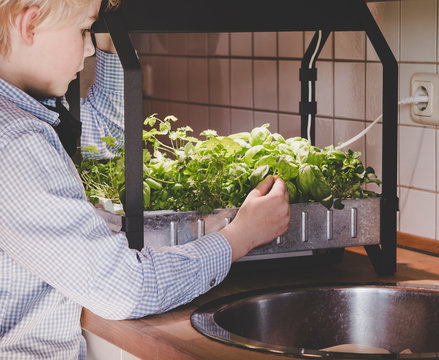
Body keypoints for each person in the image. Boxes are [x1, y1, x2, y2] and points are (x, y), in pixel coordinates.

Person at [0, 0, 290, 359]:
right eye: (84, 30)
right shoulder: (16, 143)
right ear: (30, 24)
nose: (89, 47)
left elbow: (107, 134)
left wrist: (112, 32)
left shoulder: (15, 118)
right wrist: (238, 238)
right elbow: (121, 289)